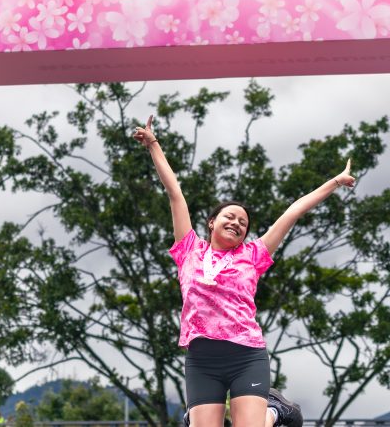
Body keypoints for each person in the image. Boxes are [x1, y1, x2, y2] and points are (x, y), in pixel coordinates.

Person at [133, 115, 355, 427]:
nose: (237, 223)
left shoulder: (252, 255)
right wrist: (153, 144)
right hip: (201, 359)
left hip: (246, 355)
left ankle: (273, 411)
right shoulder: (189, 249)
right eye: (230, 217)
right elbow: (175, 193)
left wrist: (336, 182)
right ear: (212, 222)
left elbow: (293, 212)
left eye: (243, 223)